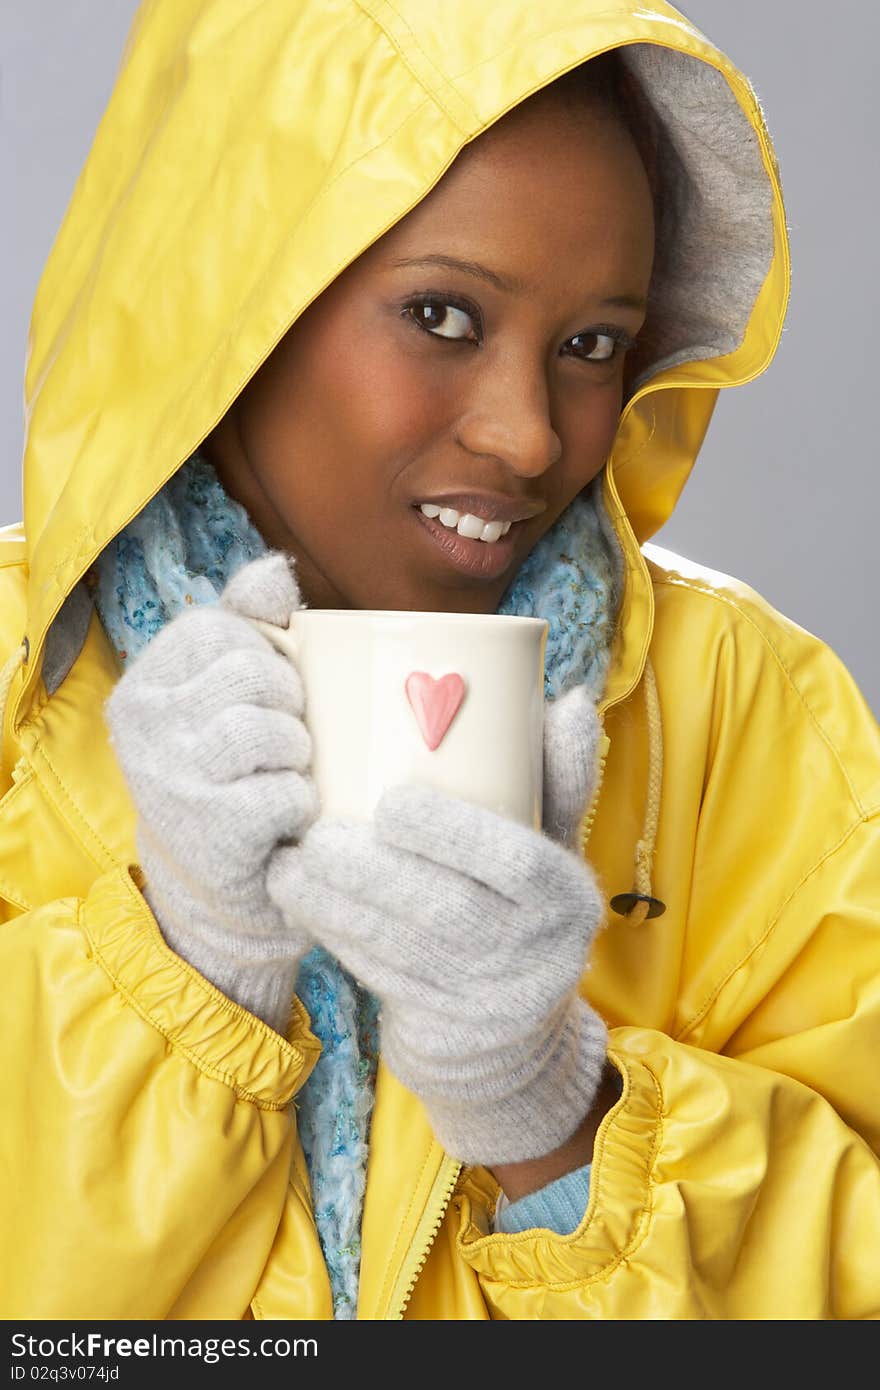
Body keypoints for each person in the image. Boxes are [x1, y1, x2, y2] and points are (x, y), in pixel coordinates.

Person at [1, 0, 878, 1322]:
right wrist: (176, 973)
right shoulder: (21, 672)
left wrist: (551, 1108)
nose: (531, 435)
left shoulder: (752, 713)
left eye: (592, 345)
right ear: (239, 295)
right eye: (443, 316)